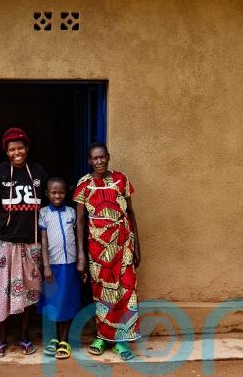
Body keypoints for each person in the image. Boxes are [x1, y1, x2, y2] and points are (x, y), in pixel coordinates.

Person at [73, 142, 142, 361]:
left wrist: (137, 246)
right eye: (95, 158)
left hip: (124, 244)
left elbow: (131, 212)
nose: (99, 161)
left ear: (108, 157)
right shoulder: (84, 184)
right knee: (101, 292)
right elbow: (80, 222)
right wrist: (81, 254)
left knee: (125, 291)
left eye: (102, 157)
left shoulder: (121, 179)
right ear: (89, 161)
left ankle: (122, 340)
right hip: (98, 249)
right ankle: (102, 337)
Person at [0, 127, 48, 358]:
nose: (16, 152)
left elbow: (46, 210)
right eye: (12, 149)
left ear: (27, 148)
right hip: (5, 244)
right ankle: (1, 337)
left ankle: (24, 336)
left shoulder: (38, 172)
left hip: (31, 245)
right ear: (6, 152)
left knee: (29, 293)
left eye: (20, 148)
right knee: (2, 293)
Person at [37, 177, 86, 360]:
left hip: (69, 264)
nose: (57, 196)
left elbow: (78, 236)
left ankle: (64, 340)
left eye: (61, 193)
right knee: (51, 302)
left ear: (66, 194)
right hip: (52, 266)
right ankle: (52, 339)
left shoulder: (71, 212)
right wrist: (46, 266)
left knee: (67, 301)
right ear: (47, 194)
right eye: (53, 193)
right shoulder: (43, 213)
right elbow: (43, 240)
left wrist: (80, 258)